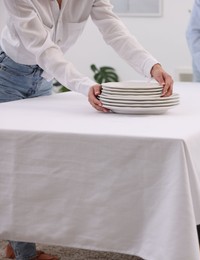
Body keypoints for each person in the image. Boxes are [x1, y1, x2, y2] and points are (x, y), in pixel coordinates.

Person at [0, 0, 173, 259]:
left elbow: (114, 29)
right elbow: (42, 47)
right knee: (10, 165)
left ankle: (17, 243)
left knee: (38, 163)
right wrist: (83, 86)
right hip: (8, 75)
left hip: (45, 78)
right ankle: (25, 252)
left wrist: (152, 66)